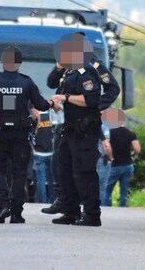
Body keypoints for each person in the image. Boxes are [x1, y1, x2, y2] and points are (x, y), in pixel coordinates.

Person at [0, 46, 57, 223]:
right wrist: (51, 102)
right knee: (19, 174)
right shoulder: (26, 82)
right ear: (19, 63)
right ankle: (16, 213)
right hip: (20, 135)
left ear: (3, 62)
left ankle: (2, 207)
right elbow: (40, 105)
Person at [41, 32, 120, 215]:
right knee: (60, 163)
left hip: (84, 121)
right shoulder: (68, 66)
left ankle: (84, 208)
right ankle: (65, 201)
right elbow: (52, 83)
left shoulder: (93, 65)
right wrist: (59, 67)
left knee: (82, 167)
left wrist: (95, 107)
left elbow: (112, 89)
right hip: (66, 121)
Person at [50, 33, 103, 226]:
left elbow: (90, 99)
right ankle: (70, 211)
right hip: (69, 128)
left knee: (84, 172)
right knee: (64, 170)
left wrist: (66, 98)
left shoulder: (85, 72)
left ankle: (91, 214)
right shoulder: (69, 72)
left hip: (84, 130)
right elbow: (51, 82)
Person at [102, 108, 140, 207]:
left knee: (107, 189)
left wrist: (110, 157)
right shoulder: (130, 133)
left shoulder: (108, 133)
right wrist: (132, 155)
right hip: (128, 165)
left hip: (113, 165)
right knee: (124, 190)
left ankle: (107, 209)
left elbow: (107, 147)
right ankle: (122, 209)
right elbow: (137, 149)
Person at [31, 108, 55, 204]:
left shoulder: (34, 118)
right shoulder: (52, 117)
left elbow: (29, 135)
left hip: (38, 152)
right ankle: (53, 201)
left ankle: (42, 202)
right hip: (51, 152)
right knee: (52, 180)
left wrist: (33, 149)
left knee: (41, 180)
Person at [96, 123, 113, 202]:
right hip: (100, 159)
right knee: (101, 185)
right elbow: (106, 145)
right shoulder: (104, 127)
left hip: (86, 158)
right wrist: (110, 157)